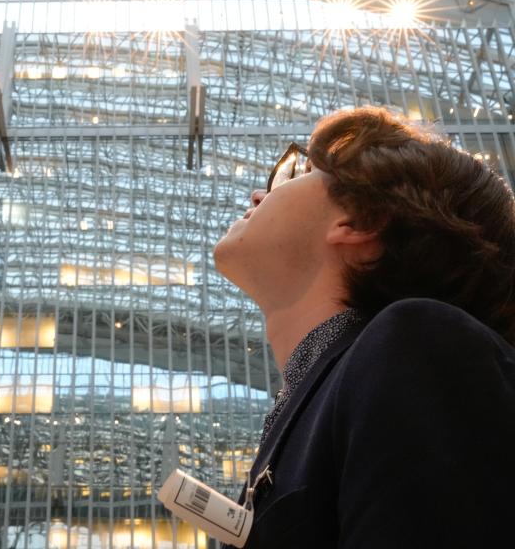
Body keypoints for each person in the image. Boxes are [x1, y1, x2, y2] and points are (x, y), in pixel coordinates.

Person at [213, 106, 515, 548]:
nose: (259, 194)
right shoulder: (320, 397)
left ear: (363, 221)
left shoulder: (420, 347)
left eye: (297, 173)